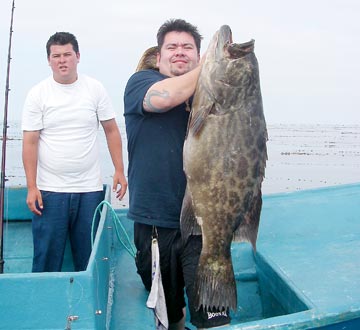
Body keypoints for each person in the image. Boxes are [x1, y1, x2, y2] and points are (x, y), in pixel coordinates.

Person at [124, 19, 230, 329]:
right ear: (158, 57)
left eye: (188, 47)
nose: (179, 52)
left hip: (204, 224)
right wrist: (214, 66)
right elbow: (165, 98)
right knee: (170, 316)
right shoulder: (140, 83)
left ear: (199, 55)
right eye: (172, 47)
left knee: (215, 318)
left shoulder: (211, 98)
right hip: (156, 223)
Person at [22, 32, 127, 273]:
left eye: (67, 54)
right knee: (46, 259)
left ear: (78, 57)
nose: (62, 60)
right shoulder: (38, 93)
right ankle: (45, 305)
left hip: (89, 190)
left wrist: (119, 170)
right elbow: (30, 142)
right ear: (49, 60)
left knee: (89, 261)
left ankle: (87, 309)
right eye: (56, 56)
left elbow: (111, 131)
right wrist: (31, 186)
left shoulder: (95, 89)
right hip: (49, 192)